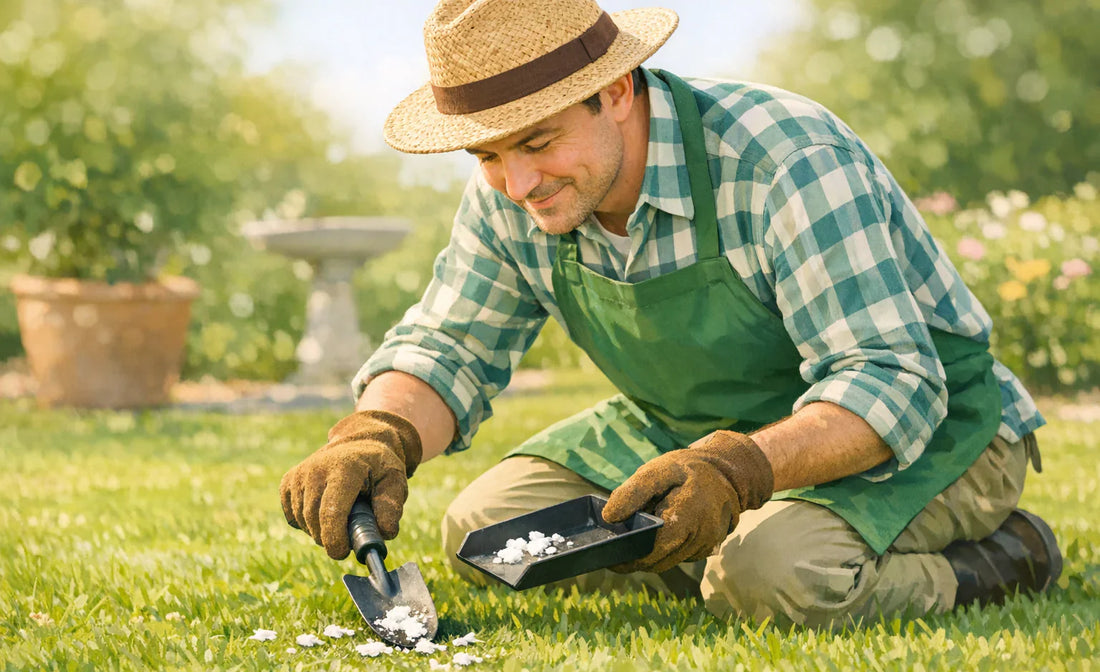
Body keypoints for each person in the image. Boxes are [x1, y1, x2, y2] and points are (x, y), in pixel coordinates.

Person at [279, 0, 1062, 628]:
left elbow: (892, 380)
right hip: (692, 434)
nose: (517, 184)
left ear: (618, 91)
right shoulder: (517, 196)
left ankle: (1000, 558)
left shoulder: (783, 158)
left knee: (772, 574)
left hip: (931, 428)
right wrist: (377, 433)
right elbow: (450, 344)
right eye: (487, 156)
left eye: (538, 142)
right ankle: (727, 548)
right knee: (487, 532)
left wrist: (735, 470)